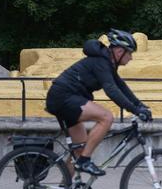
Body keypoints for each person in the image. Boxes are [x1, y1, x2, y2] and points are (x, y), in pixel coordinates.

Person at [45, 29, 152, 176]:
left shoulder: (107, 63)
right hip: (64, 97)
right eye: (130, 53)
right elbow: (111, 90)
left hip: (67, 99)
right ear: (120, 51)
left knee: (80, 150)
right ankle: (84, 161)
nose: (131, 58)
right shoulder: (101, 62)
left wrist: (140, 105)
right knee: (106, 117)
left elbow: (121, 86)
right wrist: (135, 110)